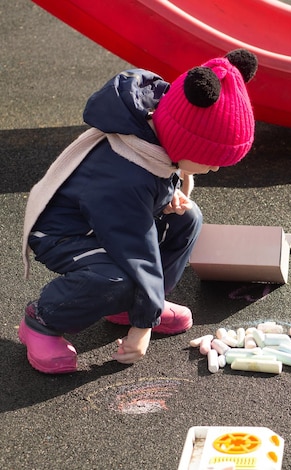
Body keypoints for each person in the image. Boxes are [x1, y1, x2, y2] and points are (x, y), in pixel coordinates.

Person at [19, 49, 258, 374]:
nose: (215, 168)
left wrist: (169, 191)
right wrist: (143, 327)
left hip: (109, 218)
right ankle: (42, 321)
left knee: (187, 219)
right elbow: (137, 253)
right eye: (211, 159)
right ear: (185, 144)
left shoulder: (159, 128)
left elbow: (163, 168)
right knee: (117, 278)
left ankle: (134, 306)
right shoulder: (125, 179)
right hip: (65, 233)